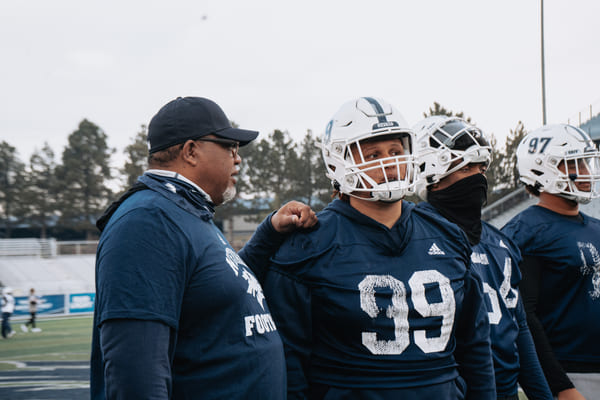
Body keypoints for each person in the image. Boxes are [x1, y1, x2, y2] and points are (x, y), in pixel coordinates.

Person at [262, 97, 495, 399]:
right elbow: (289, 363)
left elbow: (475, 346)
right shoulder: (307, 244)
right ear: (338, 162)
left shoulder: (446, 234)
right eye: (372, 155)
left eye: (396, 151)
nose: (390, 163)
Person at [90, 96, 318, 400]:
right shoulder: (148, 221)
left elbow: (220, 290)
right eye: (229, 147)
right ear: (191, 151)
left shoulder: (183, 212)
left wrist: (270, 231)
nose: (238, 158)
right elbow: (134, 372)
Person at [413, 115, 552, 400]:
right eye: (466, 168)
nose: (478, 177)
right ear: (431, 176)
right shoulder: (412, 235)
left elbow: (519, 329)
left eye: (481, 167)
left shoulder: (500, 242)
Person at [501, 124, 600, 400]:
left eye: (585, 162)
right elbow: (525, 317)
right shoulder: (527, 232)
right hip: (570, 371)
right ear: (543, 169)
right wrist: (560, 385)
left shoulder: (595, 227)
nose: (587, 171)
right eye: (575, 163)